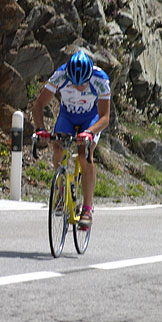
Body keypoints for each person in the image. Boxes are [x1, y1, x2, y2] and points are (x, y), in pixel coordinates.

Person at [32, 49, 111, 230]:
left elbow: (105, 117)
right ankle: (61, 192)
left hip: (90, 119)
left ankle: (88, 208)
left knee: (84, 156)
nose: (78, 88)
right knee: (58, 148)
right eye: (74, 84)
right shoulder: (60, 75)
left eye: (82, 84)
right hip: (67, 116)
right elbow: (38, 105)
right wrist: (40, 129)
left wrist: (90, 133)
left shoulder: (101, 79)